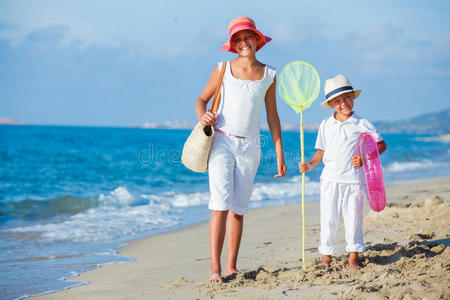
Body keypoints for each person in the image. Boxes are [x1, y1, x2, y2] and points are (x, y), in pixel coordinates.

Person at [195, 17, 286, 283]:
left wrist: (279, 153)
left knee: (238, 208)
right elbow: (201, 100)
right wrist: (203, 117)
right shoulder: (222, 68)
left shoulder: (270, 74)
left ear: (257, 40)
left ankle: (231, 267)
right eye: (238, 39)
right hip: (222, 141)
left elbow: (273, 117)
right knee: (220, 205)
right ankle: (214, 269)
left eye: (248, 37)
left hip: (251, 145)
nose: (244, 42)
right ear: (232, 45)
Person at [299, 74, 387, 269]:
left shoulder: (361, 123)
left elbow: (380, 145)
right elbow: (321, 151)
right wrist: (310, 164)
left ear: (353, 97)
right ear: (331, 104)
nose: (343, 103)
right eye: (337, 101)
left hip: (354, 180)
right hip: (330, 180)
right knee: (328, 218)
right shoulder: (326, 125)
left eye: (346, 97)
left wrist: (364, 158)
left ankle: (353, 257)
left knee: (353, 218)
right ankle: (326, 257)